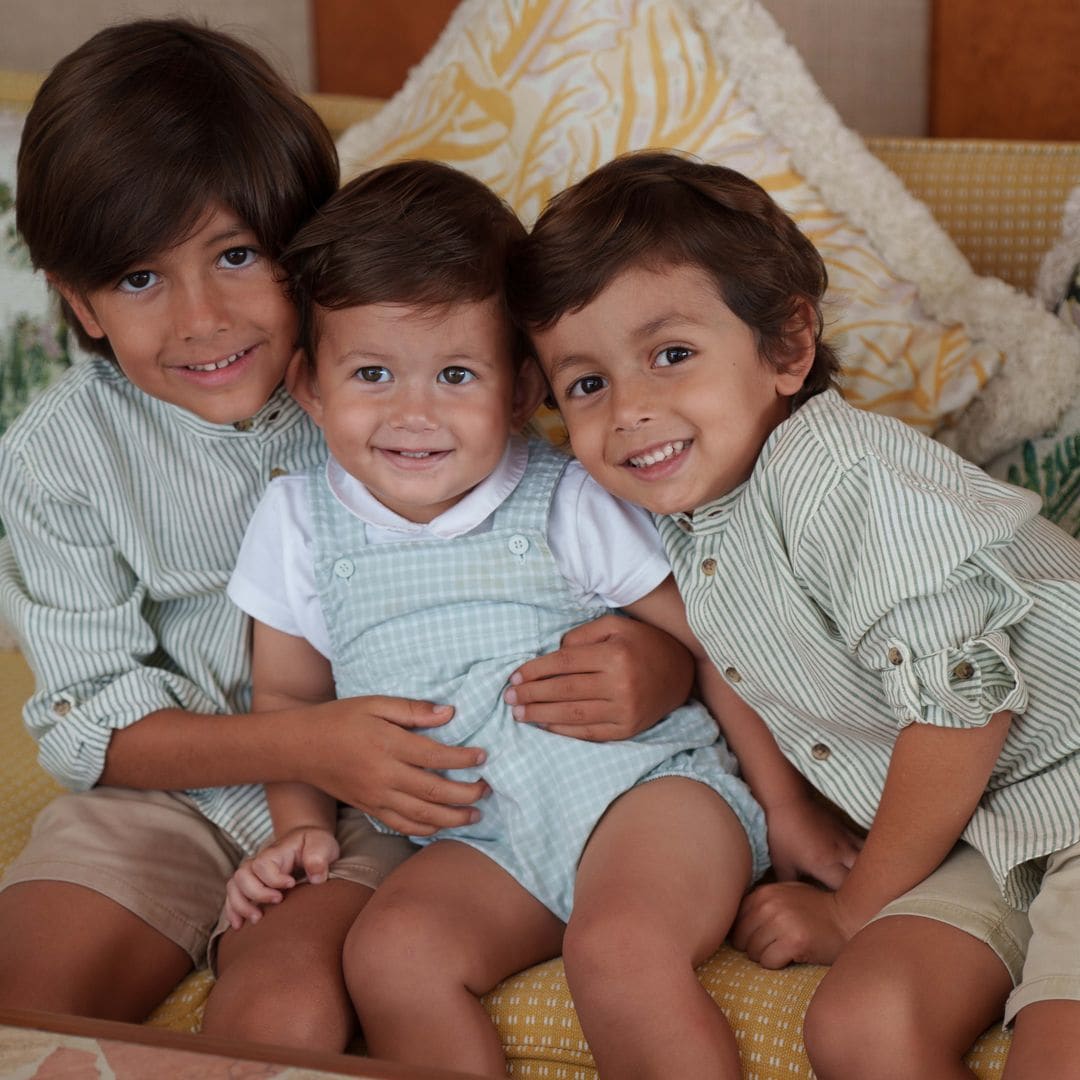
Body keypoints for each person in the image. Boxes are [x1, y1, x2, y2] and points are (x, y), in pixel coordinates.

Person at [0, 21, 695, 1047]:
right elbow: (86, 721)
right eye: (140, 279)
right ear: (80, 304)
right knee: (22, 985)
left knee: (284, 1004)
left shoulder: (408, 382)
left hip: (394, 797)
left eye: (237, 256)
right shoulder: (59, 453)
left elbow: (588, 556)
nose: (202, 319)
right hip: (162, 793)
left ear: (308, 252)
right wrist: (304, 739)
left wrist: (659, 664)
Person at [510, 148, 1080, 1080]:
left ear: (787, 347)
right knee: (860, 1026)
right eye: (586, 384)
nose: (631, 410)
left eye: (672, 355)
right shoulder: (696, 523)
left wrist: (858, 909)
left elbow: (965, 708)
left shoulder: (836, 476)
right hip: (997, 825)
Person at [222, 158, 773, 1080]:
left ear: (521, 391)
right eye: (370, 373)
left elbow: (714, 636)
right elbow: (285, 698)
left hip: (645, 798)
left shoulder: (563, 496)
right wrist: (300, 826)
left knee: (620, 951)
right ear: (309, 387)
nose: (413, 413)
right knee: (389, 954)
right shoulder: (295, 521)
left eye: (454, 374)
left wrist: (786, 806)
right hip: (479, 842)